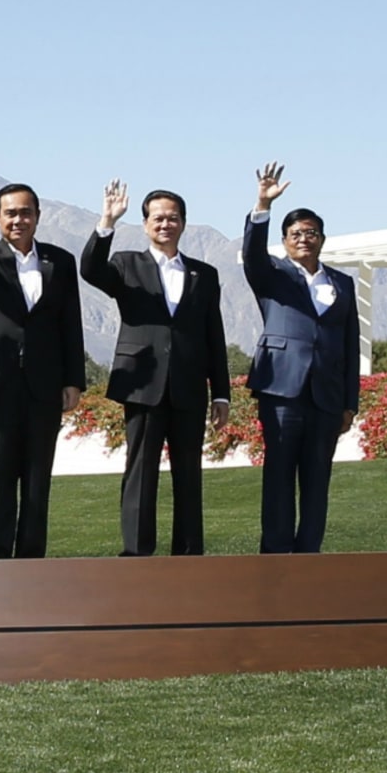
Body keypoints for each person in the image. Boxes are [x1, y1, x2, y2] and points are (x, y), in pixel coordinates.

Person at [80, 181, 230, 557]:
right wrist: (107, 222)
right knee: (140, 473)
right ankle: (136, 554)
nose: (166, 224)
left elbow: (214, 334)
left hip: (190, 386)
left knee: (189, 473)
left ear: (183, 224)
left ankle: (189, 553)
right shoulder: (126, 264)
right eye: (158, 218)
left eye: (173, 218)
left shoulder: (205, 274)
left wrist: (222, 392)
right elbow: (91, 270)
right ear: (146, 224)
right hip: (143, 385)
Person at [0, 164, 85, 559]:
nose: (19, 220)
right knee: (0, 476)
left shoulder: (59, 262)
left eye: (26, 212)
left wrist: (73, 379)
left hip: (44, 384)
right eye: (10, 213)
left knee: (38, 479)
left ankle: (31, 560)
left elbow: (70, 321)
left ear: (38, 217)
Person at [243, 161, 359, 554]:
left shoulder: (341, 283)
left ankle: (309, 556)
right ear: (285, 240)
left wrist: (349, 404)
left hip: (326, 398)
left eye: (311, 232)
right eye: (296, 234)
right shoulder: (271, 274)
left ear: (322, 238)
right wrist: (263, 204)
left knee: (316, 480)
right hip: (282, 391)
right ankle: (275, 559)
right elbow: (252, 253)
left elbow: (350, 344)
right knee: (279, 478)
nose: (304, 239)